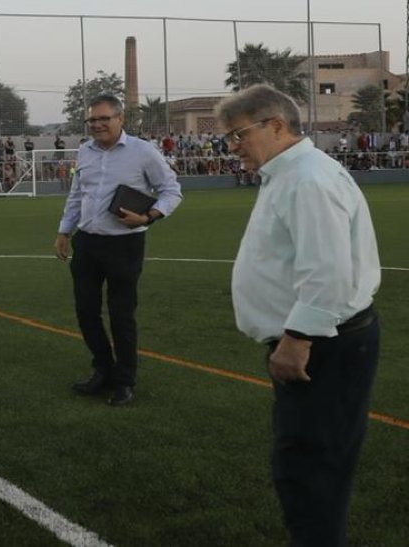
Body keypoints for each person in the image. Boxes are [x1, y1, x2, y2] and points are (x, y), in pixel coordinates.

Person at [218, 85, 380, 546]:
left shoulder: (308, 179)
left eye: (238, 135)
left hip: (323, 345)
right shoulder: (289, 175)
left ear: (276, 126)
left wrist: (297, 340)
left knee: (311, 467)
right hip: (319, 341)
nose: (233, 147)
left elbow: (326, 270)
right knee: (307, 464)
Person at [54, 94, 182, 407]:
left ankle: (124, 381)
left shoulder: (142, 151)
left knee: (122, 316)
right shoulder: (85, 151)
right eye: (92, 120)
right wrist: (64, 230)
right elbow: (76, 195)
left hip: (125, 244)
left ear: (120, 119)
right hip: (87, 242)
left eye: (104, 119)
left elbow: (172, 190)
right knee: (86, 312)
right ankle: (103, 370)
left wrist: (148, 216)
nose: (97, 125)